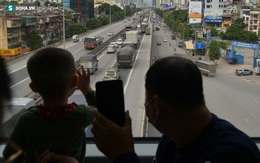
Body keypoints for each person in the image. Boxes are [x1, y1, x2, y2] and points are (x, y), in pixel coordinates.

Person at [91, 56, 260, 163]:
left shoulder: (230, 155)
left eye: (146, 100)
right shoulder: (172, 140)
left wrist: (123, 156)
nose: (145, 106)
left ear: (156, 105)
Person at [3, 47, 96, 163]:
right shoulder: (81, 115)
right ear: (74, 82)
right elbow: (100, 111)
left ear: (33, 88)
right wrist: (86, 89)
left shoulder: (27, 119)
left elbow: (9, 155)